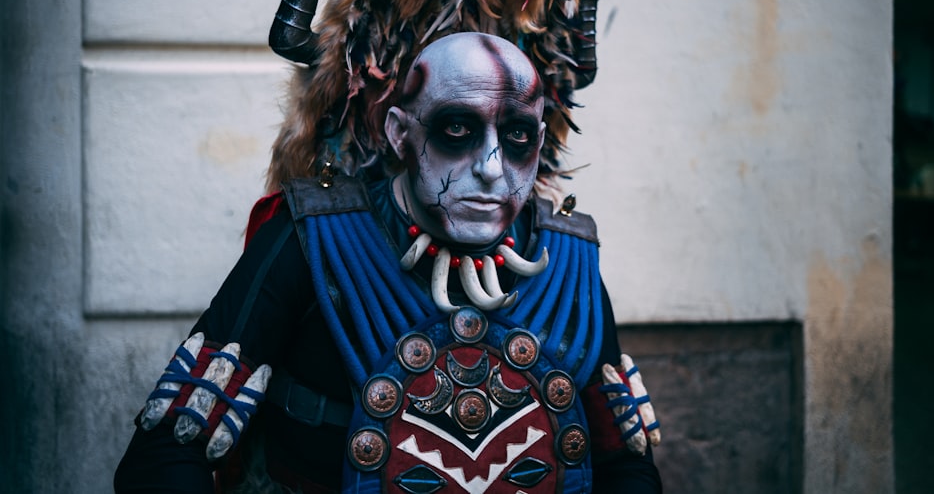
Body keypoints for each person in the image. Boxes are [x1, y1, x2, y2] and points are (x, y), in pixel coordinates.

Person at [115, 32, 662, 493]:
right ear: (401, 133)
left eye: (517, 136)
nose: (493, 170)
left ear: (539, 141)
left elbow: (625, 464)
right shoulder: (312, 237)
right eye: (456, 130)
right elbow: (166, 453)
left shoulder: (565, 258)